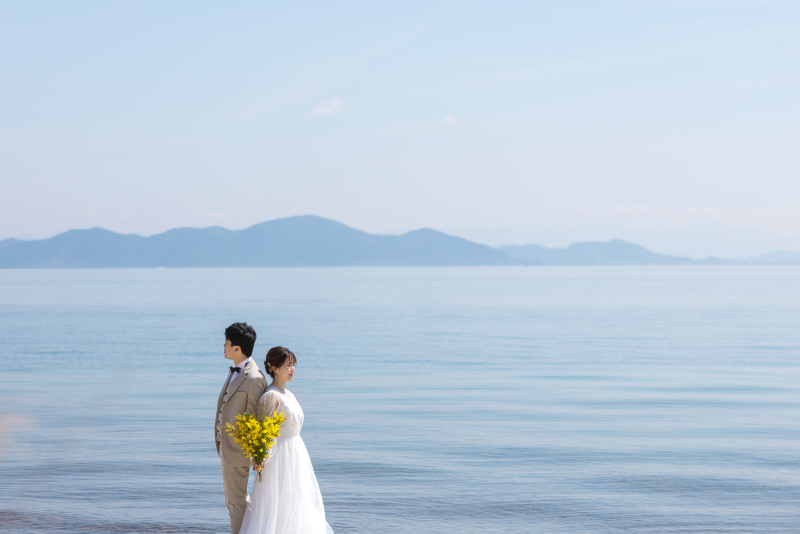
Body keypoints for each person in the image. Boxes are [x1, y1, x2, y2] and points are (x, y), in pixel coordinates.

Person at [239, 347, 333, 534]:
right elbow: (267, 432)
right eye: (288, 365)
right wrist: (261, 458)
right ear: (273, 368)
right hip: (279, 458)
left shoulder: (289, 395)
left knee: (297, 501)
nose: (292, 370)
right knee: (278, 502)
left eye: (293, 365)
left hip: (296, 455)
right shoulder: (271, 396)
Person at [216, 322, 268, 534]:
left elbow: (255, 419)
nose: (224, 346)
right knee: (234, 502)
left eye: (227, 343)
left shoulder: (254, 377)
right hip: (228, 449)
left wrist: (255, 453)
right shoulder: (237, 372)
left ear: (237, 348)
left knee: (236, 503)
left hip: (238, 451)